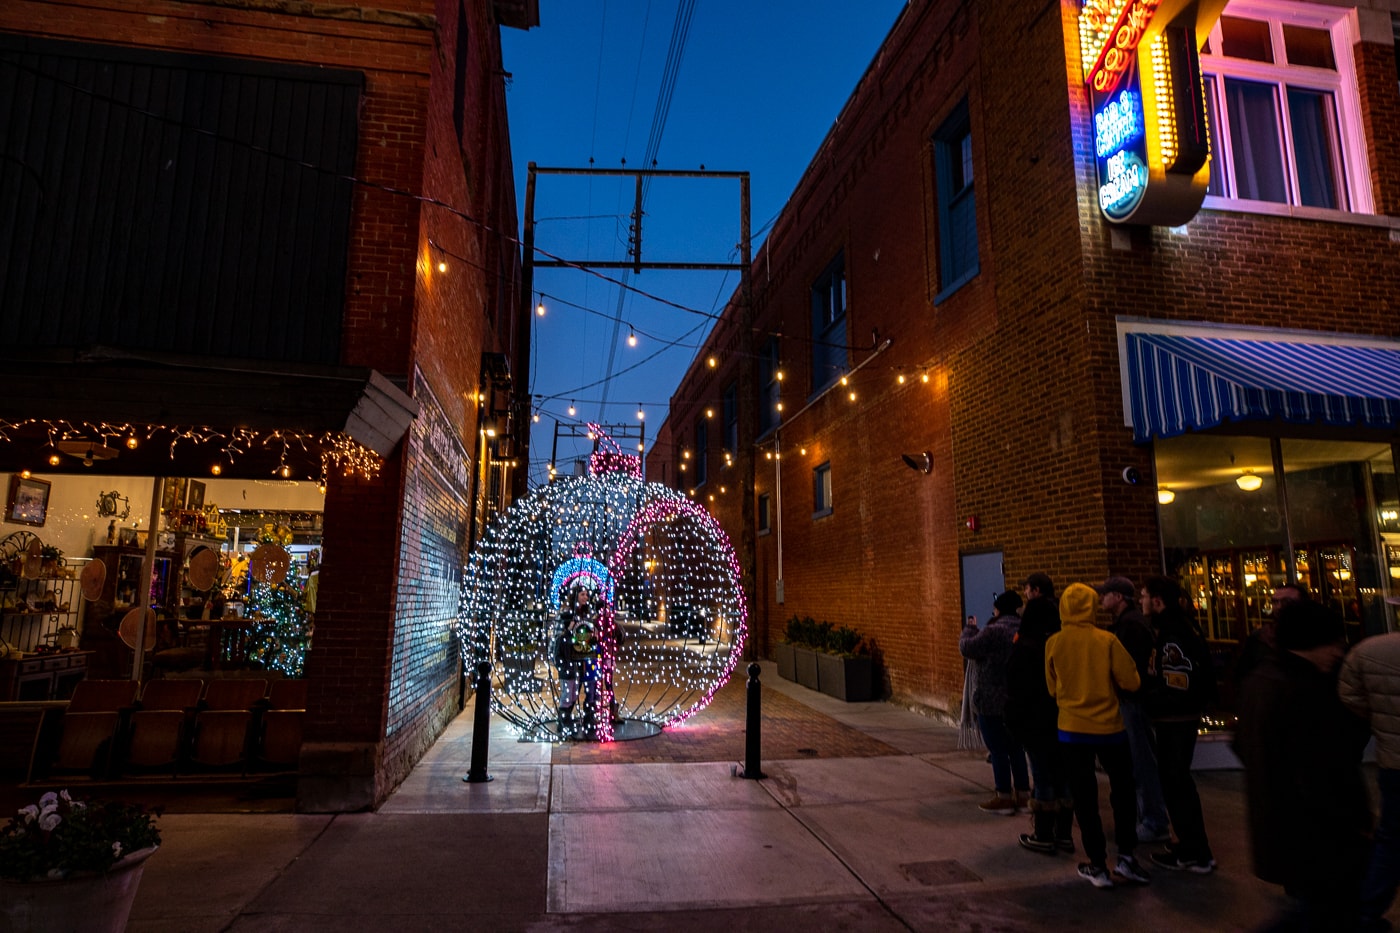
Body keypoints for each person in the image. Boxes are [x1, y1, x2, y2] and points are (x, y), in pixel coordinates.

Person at [1235, 598, 1371, 930]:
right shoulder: (1304, 690)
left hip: (1282, 828)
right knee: (1321, 913)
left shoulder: (1262, 679)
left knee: (1311, 908)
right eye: (1334, 643)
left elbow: (1240, 744)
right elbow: (1325, 771)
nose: (1339, 652)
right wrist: (1355, 819)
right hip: (1318, 835)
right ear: (1313, 641)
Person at [1045, 582, 1148, 888]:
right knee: (1123, 793)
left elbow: (1052, 687)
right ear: (1091, 606)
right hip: (1110, 729)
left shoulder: (1054, 643)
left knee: (1085, 798)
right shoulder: (1107, 641)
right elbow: (1131, 681)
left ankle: (1097, 864)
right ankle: (1127, 857)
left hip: (1072, 730)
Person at [1138, 575, 1217, 874]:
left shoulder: (1173, 636)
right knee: (1176, 783)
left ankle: (1194, 852)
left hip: (1176, 720)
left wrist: (1146, 697)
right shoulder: (1176, 629)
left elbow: (1177, 685)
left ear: (1158, 602)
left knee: (1176, 784)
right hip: (1176, 718)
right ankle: (1188, 841)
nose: (1141, 601)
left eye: (1144, 596)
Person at [1096, 574, 1170, 844]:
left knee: (1141, 762)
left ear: (1117, 597)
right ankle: (1147, 817)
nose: (1101, 598)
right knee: (1136, 762)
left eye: (1105, 593)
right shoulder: (1127, 624)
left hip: (1133, 702)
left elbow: (1130, 668)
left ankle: (1153, 820)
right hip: (1130, 701)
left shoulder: (1131, 627)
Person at [1005, 574, 1073, 854]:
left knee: (1043, 776)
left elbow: (1015, 687)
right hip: (1064, 719)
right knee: (1063, 776)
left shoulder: (1026, 648)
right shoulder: (1064, 643)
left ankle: (1043, 834)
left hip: (1034, 721)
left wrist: (1014, 720)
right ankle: (1065, 834)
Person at [1339, 628, 1400, 931]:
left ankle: (1369, 910)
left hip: (1393, 762)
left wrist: (1381, 721)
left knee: (1390, 839)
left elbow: (1349, 694)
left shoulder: (1367, 650)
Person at [961, 590, 1030, 814]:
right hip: (1017, 698)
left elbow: (967, 648)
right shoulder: (1024, 629)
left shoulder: (994, 631)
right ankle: (1023, 794)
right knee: (1016, 748)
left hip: (990, 699)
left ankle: (1003, 796)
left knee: (997, 749)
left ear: (998, 609)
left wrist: (970, 629)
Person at [555, 586, 600, 736]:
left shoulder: (588, 614)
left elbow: (592, 635)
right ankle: (564, 720)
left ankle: (588, 717)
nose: (585, 597)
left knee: (588, 689)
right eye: (582, 594)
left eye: (587, 594)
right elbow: (559, 639)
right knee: (570, 692)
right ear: (575, 596)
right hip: (571, 660)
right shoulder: (567, 615)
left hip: (585, 659)